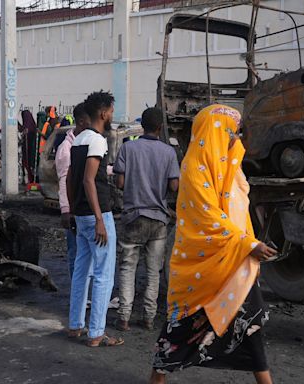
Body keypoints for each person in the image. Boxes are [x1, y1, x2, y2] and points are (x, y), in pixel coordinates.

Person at [149, 104, 277, 384]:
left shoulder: (231, 166)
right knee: (180, 330)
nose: (235, 137)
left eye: (236, 131)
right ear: (213, 131)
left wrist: (249, 245)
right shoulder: (195, 168)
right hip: (202, 265)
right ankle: (156, 379)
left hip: (236, 263)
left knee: (250, 325)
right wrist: (247, 244)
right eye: (230, 131)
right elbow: (206, 217)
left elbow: (240, 211)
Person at [113, 107, 180, 331]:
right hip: (159, 219)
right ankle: (149, 318)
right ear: (160, 128)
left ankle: (123, 317)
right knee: (153, 272)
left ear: (142, 125)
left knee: (127, 268)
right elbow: (173, 186)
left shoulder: (128, 148)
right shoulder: (169, 152)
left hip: (132, 217)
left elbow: (120, 183)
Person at [66, 91, 123, 347]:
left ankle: (76, 325)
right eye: (111, 111)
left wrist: (73, 209)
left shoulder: (78, 139)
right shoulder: (98, 140)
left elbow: (70, 178)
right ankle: (96, 333)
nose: (112, 115)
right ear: (103, 113)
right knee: (103, 275)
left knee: (81, 271)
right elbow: (89, 180)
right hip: (98, 215)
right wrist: (100, 218)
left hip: (81, 214)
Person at [55, 103, 91, 278]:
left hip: (85, 208)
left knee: (86, 255)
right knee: (75, 254)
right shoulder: (66, 150)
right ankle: (78, 297)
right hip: (74, 210)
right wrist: (66, 211)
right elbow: (63, 180)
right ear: (83, 122)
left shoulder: (85, 143)